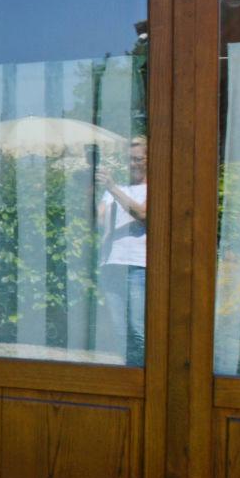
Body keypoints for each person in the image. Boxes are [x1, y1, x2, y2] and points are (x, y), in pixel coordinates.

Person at [98, 134, 148, 366]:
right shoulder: (115, 189)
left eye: (138, 159)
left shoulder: (153, 187)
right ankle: (131, 375)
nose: (133, 164)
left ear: (149, 159)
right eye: (129, 159)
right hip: (112, 264)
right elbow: (97, 220)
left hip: (138, 265)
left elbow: (143, 214)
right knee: (119, 331)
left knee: (138, 328)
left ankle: (146, 376)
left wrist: (112, 187)